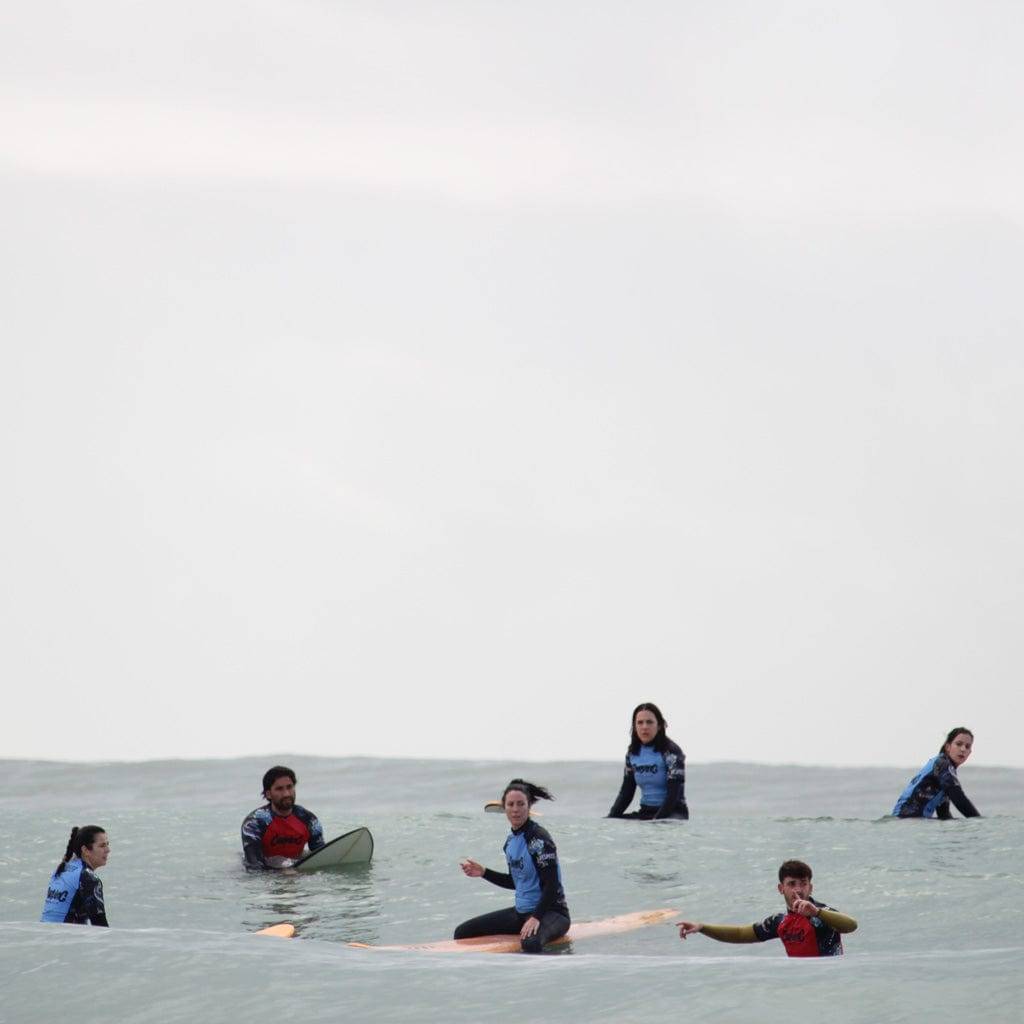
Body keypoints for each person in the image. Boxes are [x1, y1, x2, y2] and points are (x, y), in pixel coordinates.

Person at [456, 779, 570, 953]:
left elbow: (551, 885)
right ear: (505, 808)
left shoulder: (539, 839)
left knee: (530, 943)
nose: (515, 809)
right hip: (522, 913)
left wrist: (535, 918)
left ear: (529, 806)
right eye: (510, 804)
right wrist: (484, 872)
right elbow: (515, 882)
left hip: (551, 913)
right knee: (463, 933)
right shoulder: (510, 842)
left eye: (520, 804)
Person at [676, 859, 857, 957]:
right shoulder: (780, 922)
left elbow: (851, 925)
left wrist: (817, 912)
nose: (798, 890)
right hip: (802, 984)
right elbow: (740, 934)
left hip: (833, 980)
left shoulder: (823, 913)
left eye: (803, 883)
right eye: (792, 884)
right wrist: (702, 927)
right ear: (781, 889)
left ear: (811, 887)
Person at [607, 702, 689, 819]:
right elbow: (626, 792)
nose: (644, 726)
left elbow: (673, 795)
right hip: (646, 812)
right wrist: (610, 819)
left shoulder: (671, 751)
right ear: (635, 727)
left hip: (674, 813)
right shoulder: (632, 753)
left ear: (659, 725)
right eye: (640, 723)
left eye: (649, 722)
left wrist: (656, 822)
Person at [241, 765, 325, 868]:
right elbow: (254, 867)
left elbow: (321, 855)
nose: (286, 794)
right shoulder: (254, 823)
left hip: (294, 864)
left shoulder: (309, 820)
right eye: (279, 789)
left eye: (290, 787)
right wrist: (282, 874)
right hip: (268, 870)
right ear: (268, 794)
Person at [892, 727, 980, 819]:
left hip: (905, 822)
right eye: (959, 744)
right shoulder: (942, 765)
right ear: (948, 747)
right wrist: (980, 824)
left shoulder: (943, 770)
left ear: (970, 752)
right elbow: (959, 799)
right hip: (907, 822)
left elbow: (943, 814)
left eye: (967, 746)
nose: (963, 749)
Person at [40, 825, 110, 925]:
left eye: (108, 844)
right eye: (102, 846)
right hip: (64, 938)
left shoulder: (62, 869)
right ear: (85, 850)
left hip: (44, 934)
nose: (108, 850)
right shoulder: (88, 878)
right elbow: (100, 925)